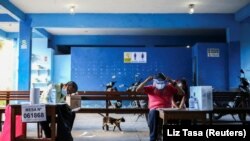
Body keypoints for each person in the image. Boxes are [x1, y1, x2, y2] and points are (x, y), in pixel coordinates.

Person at [136, 73, 184, 141]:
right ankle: (153, 138)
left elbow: (182, 93)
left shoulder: (170, 87)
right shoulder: (151, 88)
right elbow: (137, 90)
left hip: (167, 109)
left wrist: (172, 82)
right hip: (154, 109)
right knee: (153, 113)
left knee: (178, 117)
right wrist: (146, 80)